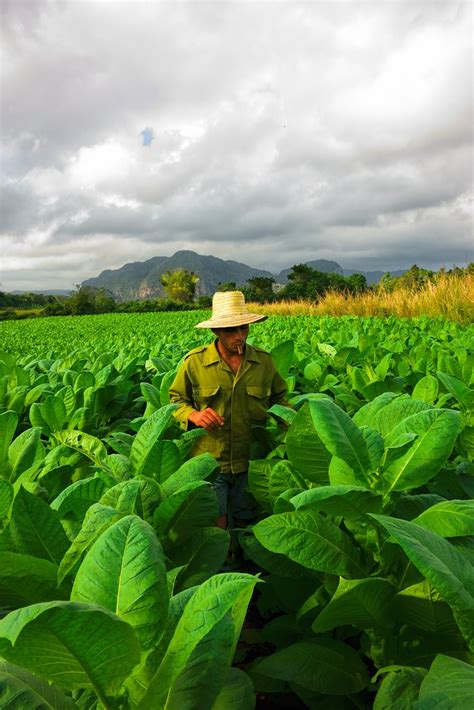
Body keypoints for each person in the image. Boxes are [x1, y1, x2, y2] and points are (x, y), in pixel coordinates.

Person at [168, 290, 288, 530]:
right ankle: (223, 565)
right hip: (211, 460)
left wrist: (293, 432)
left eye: (243, 328)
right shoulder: (195, 362)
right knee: (216, 523)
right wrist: (194, 415)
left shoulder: (263, 362)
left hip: (251, 459)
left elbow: (281, 399)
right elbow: (175, 400)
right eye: (231, 331)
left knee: (248, 522)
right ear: (216, 331)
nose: (239, 336)